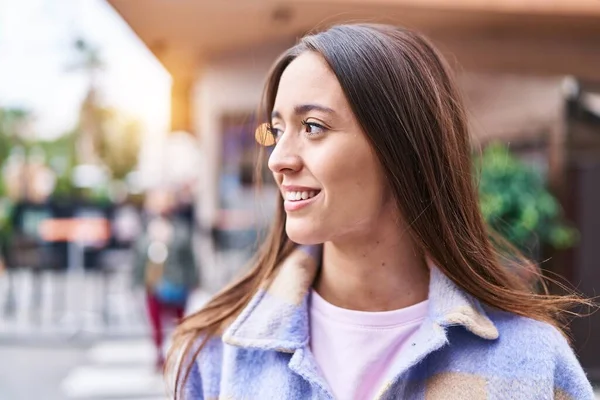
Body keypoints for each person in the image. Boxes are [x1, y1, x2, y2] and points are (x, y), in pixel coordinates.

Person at [167, 24, 594, 399]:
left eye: (312, 127)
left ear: (401, 150)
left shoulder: (531, 362)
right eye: (277, 131)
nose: (278, 158)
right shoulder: (214, 353)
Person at [133, 187, 198, 370]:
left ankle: (177, 355)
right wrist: (136, 282)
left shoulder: (180, 229)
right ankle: (159, 355)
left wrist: (193, 281)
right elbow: (138, 259)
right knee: (156, 324)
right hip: (153, 283)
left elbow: (189, 258)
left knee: (178, 323)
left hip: (177, 282)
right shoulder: (146, 230)